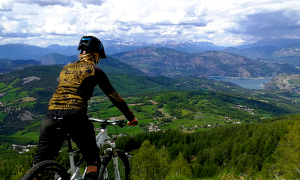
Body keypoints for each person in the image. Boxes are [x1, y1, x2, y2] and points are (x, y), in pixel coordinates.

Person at [33, 36, 138, 180]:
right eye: (99, 56)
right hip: (74, 115)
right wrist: (131, 118)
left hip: (50, 115)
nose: (99, 59)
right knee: (93, 160)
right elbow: (114, 97)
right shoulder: (95, 70)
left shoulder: (66, 68)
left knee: (40, 163)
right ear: (95, 55)